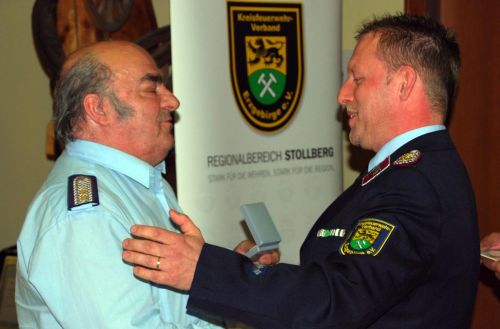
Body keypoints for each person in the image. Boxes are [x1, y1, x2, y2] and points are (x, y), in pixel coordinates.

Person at [122, 14, 480, 328]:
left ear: (404, 84)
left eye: (356, 79)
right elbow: (348, 283)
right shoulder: (409, 169)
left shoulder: (413, 182)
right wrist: (256, 272)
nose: (342, 95)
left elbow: (337, 301)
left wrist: (204, 269)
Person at [16, 40, 231, 328]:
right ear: (98, 108)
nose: (172, 101)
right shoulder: (86, 216)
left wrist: (227, 281)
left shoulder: (143, 182)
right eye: (151, 88)